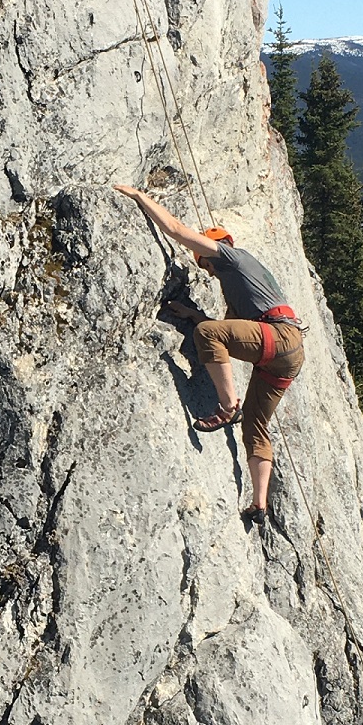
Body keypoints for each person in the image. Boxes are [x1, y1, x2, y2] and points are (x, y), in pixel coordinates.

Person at [114, 185, 305, 529]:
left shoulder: (230, 257)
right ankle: (259, 504)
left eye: (206, 265)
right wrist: (191, 313)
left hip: (277, 337)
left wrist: (141, 197)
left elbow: (176, 230)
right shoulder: (248, 276)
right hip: (287, 352)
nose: (207, 271)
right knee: (256, 426)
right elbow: (234, 331)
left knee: (207, 335)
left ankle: (227, 405)